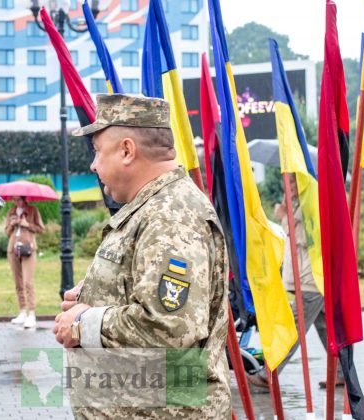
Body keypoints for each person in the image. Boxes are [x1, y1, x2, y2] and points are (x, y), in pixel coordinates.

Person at [53, 94, 231, 418]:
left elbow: (168, 328)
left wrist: (83, 323)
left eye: (97, 151)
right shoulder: (153, 208)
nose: (93, 165)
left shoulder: (171, 217)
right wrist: (94, 294)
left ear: (126, 151)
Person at [247, 174, 342, 389]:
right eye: (287, 181)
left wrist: (290, 216)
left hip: (311, 281)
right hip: (307, 280)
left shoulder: (310, 207)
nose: (287, 185)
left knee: (293, 329)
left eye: (292, 181)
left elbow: (310, 239)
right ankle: (343, 373)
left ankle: (268, 375)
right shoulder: (296, 206)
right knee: (327, 329)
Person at [5, 196, 44, 329]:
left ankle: (31, 314)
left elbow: (41, 229)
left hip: (28, 249)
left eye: (19, 199)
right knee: (18, 282)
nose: (17, 202)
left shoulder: (33, 210)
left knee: (28, 282)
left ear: (24, 199)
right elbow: (6, 232)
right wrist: (12, 224)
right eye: (15, 200)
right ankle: (22, 311)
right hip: (13, 249)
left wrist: (27, 224)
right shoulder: (11, 212)